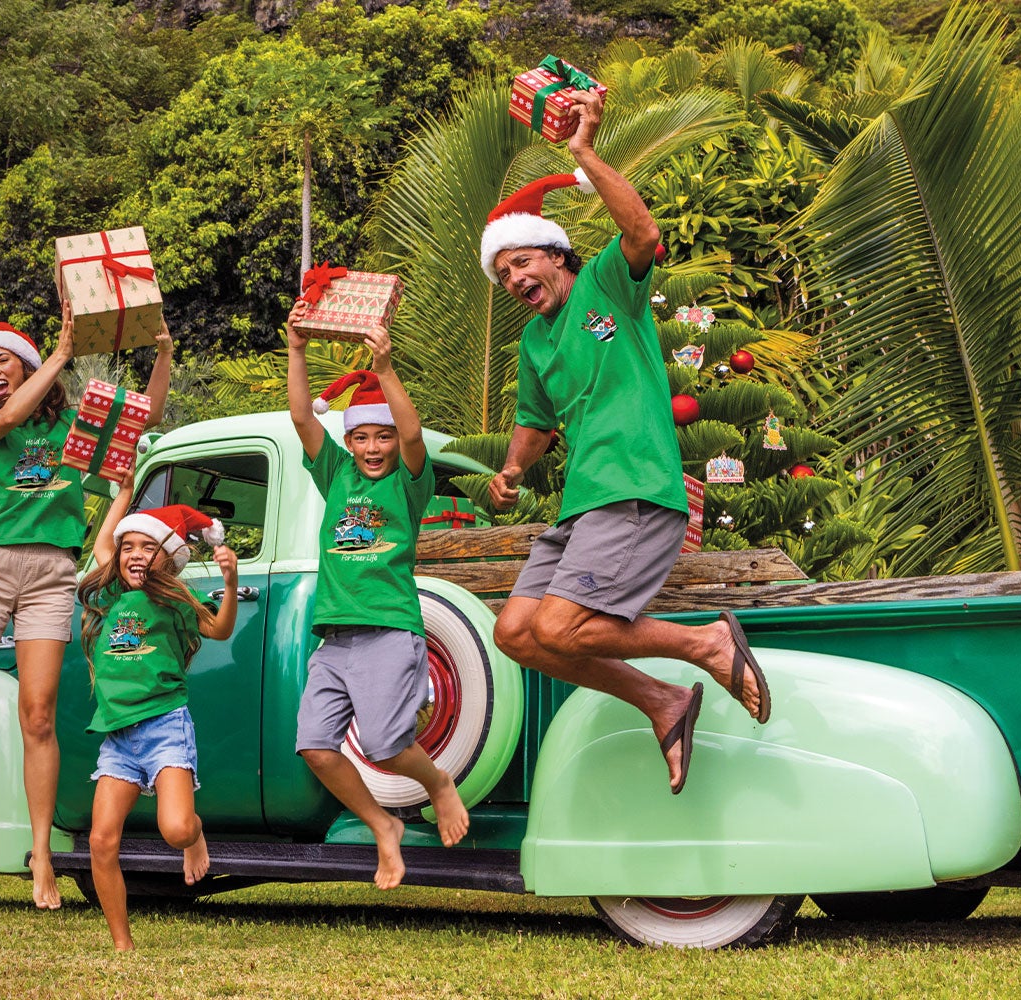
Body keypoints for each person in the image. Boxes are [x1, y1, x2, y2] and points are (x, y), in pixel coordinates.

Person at [481, 87, 770, 796]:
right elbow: (535, 422)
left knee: (561, 628)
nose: (514, 278)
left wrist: (583, 151)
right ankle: (662, 701)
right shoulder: (534, 342)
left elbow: (642, 233)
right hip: (584, 505)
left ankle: (706, 643)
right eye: (503, 272)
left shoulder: (608, 285)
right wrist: (511, 471)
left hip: (634, 487)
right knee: (516, 633)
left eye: (523, 261)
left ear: (558, 256)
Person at [0, 304, 174, 910]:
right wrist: (63, 352)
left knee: (38, 717)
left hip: (50, 572)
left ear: (26, 366)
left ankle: (41, 852)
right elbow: (12, 414)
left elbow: (144, 420)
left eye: (3, 360)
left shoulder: (75, 425)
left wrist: (164, 354)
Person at [285, 314, 470, 891]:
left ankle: (438, 784)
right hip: (334, 638)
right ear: (348, 442)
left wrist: (384, 368)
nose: (373, 447)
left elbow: (414, 437)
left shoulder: (408, 482)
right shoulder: (336, 474)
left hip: (388, 629)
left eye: (381, 436)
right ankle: (382, 825)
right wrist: (297, 349)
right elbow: (301, 417)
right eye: (362, 437)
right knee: (315, 747)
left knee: (387, 747)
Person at [77, 482, 236, 951]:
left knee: (176, 829)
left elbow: (220, 629)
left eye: (148, 547)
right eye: (128, 546)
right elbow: (103, 541)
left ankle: (195, 835)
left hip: (165, 725)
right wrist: (124, 492)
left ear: (167, 558)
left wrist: (229, 584)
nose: (134, 554)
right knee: (101, 841)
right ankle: (122, 946)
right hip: (118, 734)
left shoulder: (175, 601)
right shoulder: (110, 595)